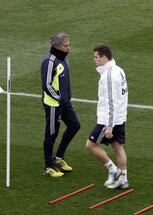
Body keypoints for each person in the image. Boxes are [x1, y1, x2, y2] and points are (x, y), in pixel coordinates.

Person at [85, 44, 129, 189]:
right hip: (120, 117)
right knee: (117, 147)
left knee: (90, 145)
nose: (94, 60)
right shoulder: (119, 70)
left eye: (96, 57)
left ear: (104, 57)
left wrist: (109, 125)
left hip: (108, 120)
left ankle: (112, 169)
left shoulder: (108, 75)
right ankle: (123, 179)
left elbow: (111, 102)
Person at [41, 32, 81, 177]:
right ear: (57, 46)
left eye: (68, 45)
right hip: (53, 105)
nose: (68, 48)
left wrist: (67, 99)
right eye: (66, 46)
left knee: (75, 125)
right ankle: (48, 166)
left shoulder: (64, 59)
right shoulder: (49, 61)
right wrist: (59, 98)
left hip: (65, 103)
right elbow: (46, 85)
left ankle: (58, 158)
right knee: (51, 134)